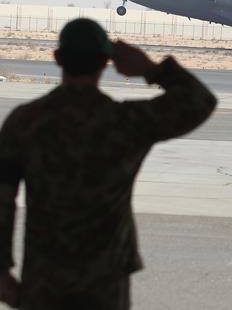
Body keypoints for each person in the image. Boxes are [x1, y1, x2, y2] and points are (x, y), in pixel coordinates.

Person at [0, 18, 217, 309]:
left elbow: (3, 199)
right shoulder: (124, 123)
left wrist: (1, 271)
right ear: (105, 63)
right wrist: (151, 69)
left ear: (58, 59)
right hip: (105, 282)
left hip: (45, 277)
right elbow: (200, 102)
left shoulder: (25, 122)